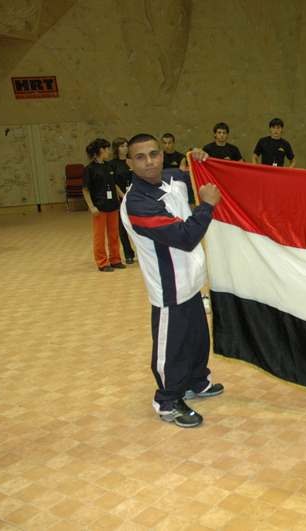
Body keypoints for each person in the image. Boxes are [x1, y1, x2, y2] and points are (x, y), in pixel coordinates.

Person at [121, 133, 224, 428]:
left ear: (162, 154)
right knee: (172, 347)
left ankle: (195, 381)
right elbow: (185, 237)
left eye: (154, 154)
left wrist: (200, 159)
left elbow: (196, 175)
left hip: (191, 281)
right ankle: (167, 401)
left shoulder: (172, 178)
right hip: (168, 289)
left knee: (197, 339)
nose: (149, 162)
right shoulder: (137, 203)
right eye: (140, 157)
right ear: (129, 163)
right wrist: (206, 207)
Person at [82, 138, 125, 272]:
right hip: (99, 207)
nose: (109, 151)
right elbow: (85, 190)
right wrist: (91, 207)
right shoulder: (89, 169)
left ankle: (115, 259)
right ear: (101, 150)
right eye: (107, 149)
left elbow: (114, 184)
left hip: (113, 205)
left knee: (114, 235)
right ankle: (102, 262)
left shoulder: (109, 166)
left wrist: (123, 196)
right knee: (99, 237)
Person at [110, 137, 135, 264]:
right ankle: (128, 253)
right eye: (122, 146)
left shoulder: (132, 161)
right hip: (121, 198)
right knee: (122, 227)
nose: (125, 148)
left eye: (126, 146)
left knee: (138, 225)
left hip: (135, 196)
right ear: (116, 148)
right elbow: (113, 183)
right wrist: (123, 195)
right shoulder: (112, 164)